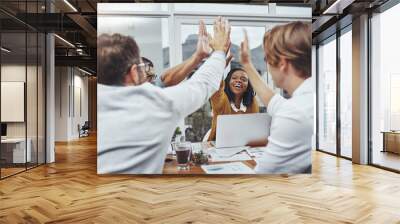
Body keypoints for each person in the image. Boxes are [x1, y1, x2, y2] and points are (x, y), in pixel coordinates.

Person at [97, 17, 231, 174]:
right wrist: (220, 51)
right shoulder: (151, 104)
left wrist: (198, 56)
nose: (148, 74)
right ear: (134, 72)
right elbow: (202, 85)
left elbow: (163, 81)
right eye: (142, 67)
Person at [239, 21, 313, 174]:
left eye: (267, 59)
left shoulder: (295, 113)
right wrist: (247, 64)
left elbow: (261, 177)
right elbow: (275, 103)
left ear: (283, 64)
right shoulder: (307, 99)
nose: (267, 65)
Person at [141, 21, 211, 88]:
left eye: (153, 77)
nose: (151, 81)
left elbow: (165, 79)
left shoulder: (153, 90)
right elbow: (167, 79)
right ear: (133, 73)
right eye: (148, 76)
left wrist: (198, 56)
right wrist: (197, 56)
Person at [207, 67, 259, 141]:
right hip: (219, 143)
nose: (238, 81)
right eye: (234, 78)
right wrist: (219, 68)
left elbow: (255, 126)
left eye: (243, 79)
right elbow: (216, 90)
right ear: (228, 82)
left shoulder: (252, 101)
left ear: (248, 86)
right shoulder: (222, 99)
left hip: (243, 143)